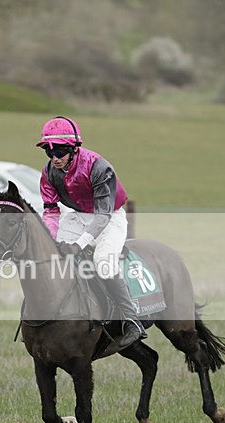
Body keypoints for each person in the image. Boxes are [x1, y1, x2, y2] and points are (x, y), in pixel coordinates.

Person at [36, 115, 144, 347]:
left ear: (74, 149)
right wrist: (51, 240)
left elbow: (103, 216)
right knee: (58, 259)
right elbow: (51, 211)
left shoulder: (99, 167)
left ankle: (131, 318)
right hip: (77, 217)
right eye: (49, 152)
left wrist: (80, 243)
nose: (55, 158)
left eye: (60, 152)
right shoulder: (48, 172)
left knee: (103, 262)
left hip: (109, 217)